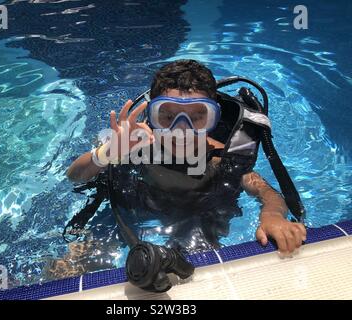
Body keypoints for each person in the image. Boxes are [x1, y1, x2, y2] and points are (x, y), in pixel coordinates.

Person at [67, 59, 306, 256]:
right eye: (168, 116)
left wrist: (272, 215)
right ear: (152, 117)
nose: (181, 129)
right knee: (72, 262)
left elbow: (267, 192)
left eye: (198, 117)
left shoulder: (220, 159)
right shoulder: (132, 143)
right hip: (132, 212)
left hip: (194, 222)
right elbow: (74, 176)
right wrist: (108, 152)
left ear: (214, 118)